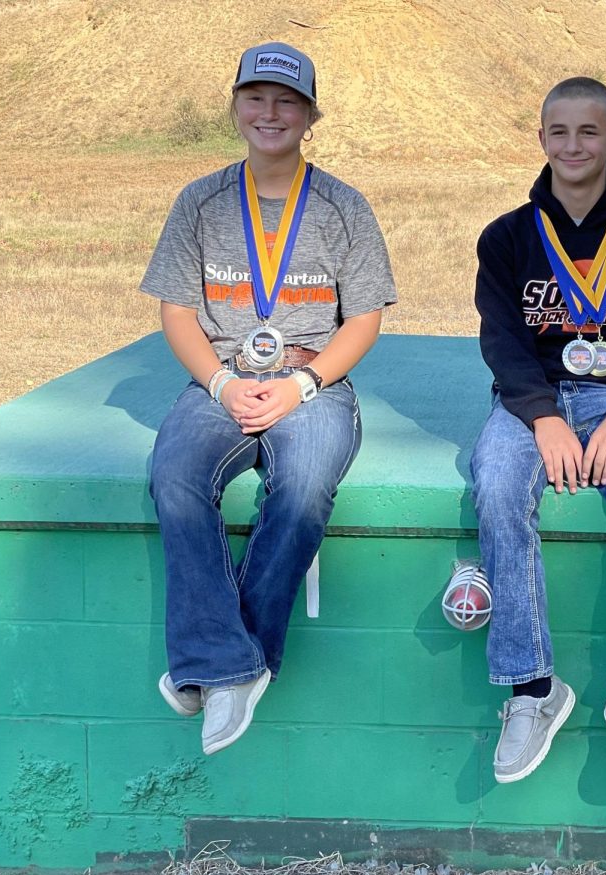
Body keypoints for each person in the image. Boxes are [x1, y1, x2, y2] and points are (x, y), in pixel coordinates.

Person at [140, 42, 397, 755]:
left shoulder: (344, 207)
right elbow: (178, 312)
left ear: (311, 115)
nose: (270, 113)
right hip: (219, 378)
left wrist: (301, 385)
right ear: (234, 107)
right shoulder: (201, 201)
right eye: (256, 98)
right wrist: (222, 384)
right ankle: (237, 666)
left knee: (306, 484)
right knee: (176, 477)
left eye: (287, 101)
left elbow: (366, 316)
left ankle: (220, 664)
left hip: (314, 382)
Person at [471, 77, 606, 785]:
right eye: (559, 132)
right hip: (529, 398)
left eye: (589, 132)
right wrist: (540, 418)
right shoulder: (506, 237)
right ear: (541, 140)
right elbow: (503, 342)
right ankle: (531, 688)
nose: (573, 145)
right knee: (500, 484)